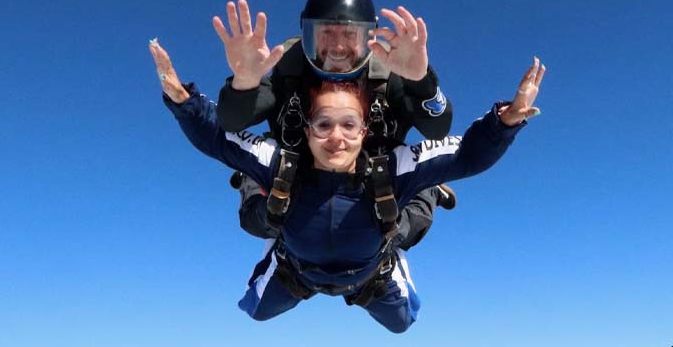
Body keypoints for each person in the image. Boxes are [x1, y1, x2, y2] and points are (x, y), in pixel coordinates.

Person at [149, 39, 545, 333]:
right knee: (256, 309)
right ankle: (261, 202)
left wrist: (506, 120)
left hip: (371, 275)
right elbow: (216, 138)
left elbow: (469, 156)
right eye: (324, 124)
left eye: (348, 125)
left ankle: (428, 187)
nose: (336, 137)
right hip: (296, 270)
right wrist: (182, 100)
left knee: (403, 322)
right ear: (307, 131)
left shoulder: (392, 169)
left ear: (363, 132)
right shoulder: (283, 164)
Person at [212, 0, 455, 244]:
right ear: (309, 34)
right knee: (261, 204)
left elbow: (438, 128)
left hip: (375, 182)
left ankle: (427, 189)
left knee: (397, 227)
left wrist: (421, 81)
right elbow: (232, 121)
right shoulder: (291, 68)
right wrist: (245, 81)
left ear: (367, 37)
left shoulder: (387, 70)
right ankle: (268, 203)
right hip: (296, 181)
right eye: (326, 32)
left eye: (349, 34)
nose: (337, 47)